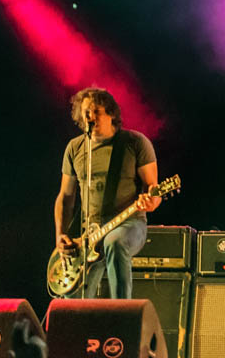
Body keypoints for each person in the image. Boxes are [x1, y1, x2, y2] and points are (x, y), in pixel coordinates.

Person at [53, 87, 160, 298]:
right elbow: (65, 198)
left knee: (114, 241)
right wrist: (60, 236)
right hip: (89, 234)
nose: (90, 117)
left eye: (96, 111)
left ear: (111, 114)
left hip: (129, 224)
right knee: (73, 303)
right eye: (86, 113)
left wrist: (151, 201)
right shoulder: (75, 148)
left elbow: (153, 188)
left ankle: (122, 311)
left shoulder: (135, 143)